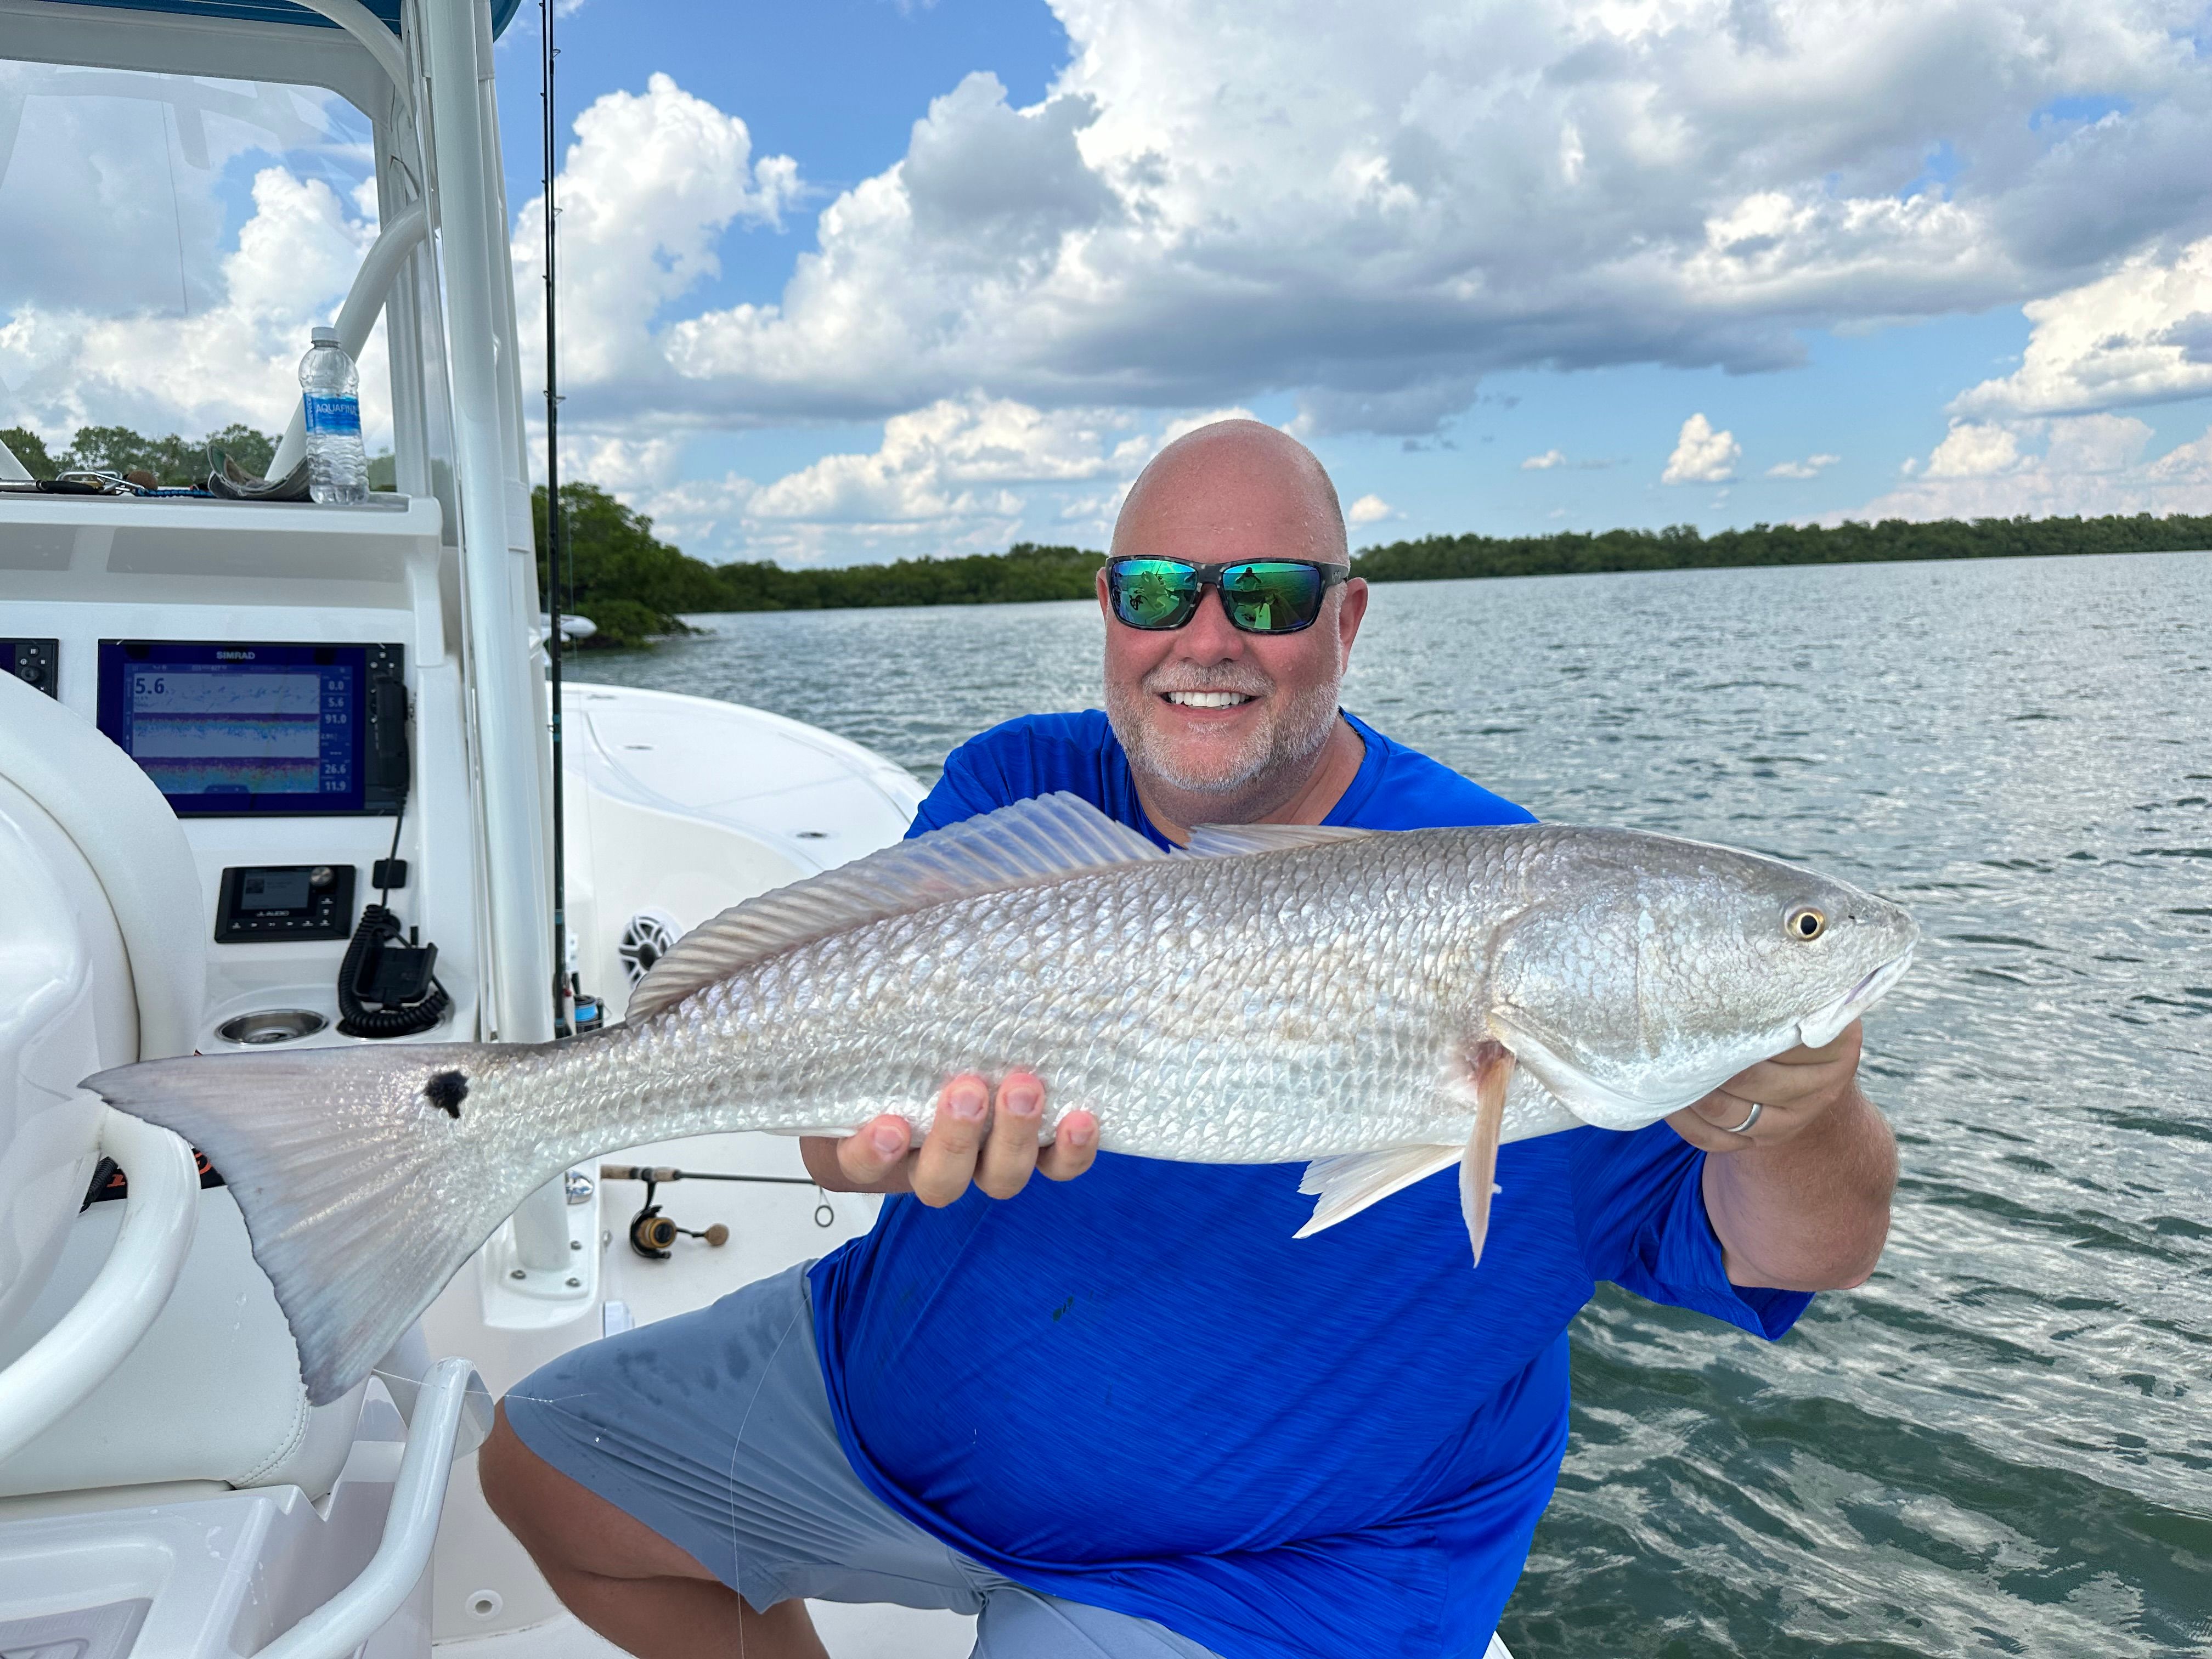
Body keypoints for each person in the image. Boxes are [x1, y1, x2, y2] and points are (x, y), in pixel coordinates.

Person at [480, 421, 1898, 1659]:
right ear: (1109, 609)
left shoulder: (1522, 905)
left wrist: (1804, 1101)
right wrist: (862, 1152)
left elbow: (1803, 1250)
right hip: (882, 1420)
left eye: (1267, 594)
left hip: (1267, 1580)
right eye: (1157, 589)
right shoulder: (1022, 785)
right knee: (545, 1473)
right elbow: (835, 1128)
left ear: (1347, 620)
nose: (1205, 638)